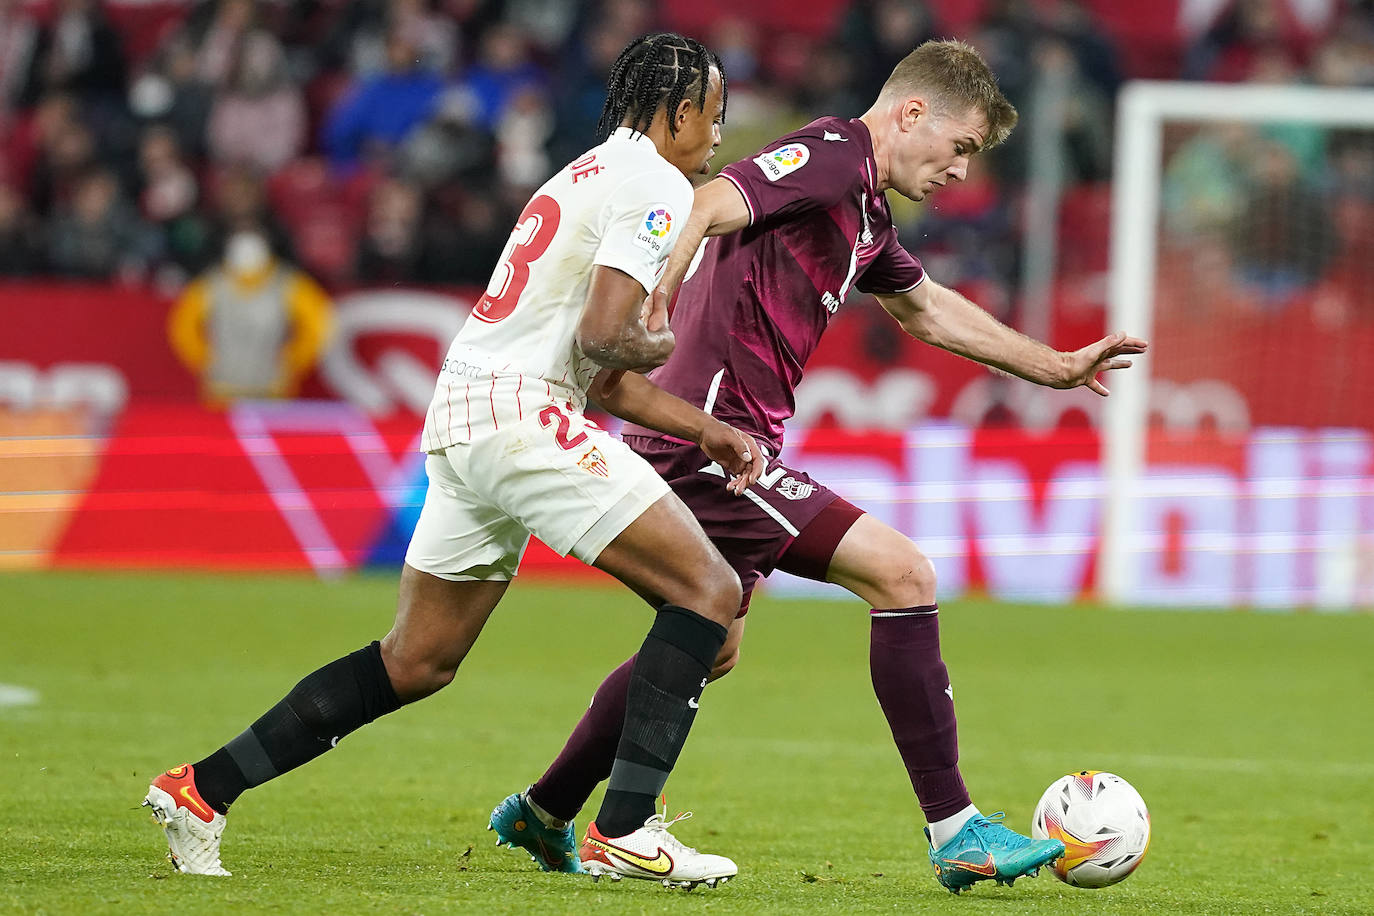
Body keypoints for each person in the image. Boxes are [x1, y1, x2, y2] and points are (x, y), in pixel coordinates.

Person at [492, 39, 1148, 895]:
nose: (960, 172)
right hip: (712, 440)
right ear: (913, 114)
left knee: (709, 645)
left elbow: (926, 309)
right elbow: (711, 200)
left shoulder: (867, 210)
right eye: (960, 147)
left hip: (727, 440)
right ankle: (957, 831)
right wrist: (657, 290)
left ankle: (544, 810)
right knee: (902, 574)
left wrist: (1056, 366)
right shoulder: (835, 157)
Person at [143, 33, 762, 889]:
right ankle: (624, 830)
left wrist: (704, 429)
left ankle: (200, 790)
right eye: (717, 112)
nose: (721, 132)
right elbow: (608, 340)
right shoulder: (658, 183)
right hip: (524, 412)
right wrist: (661, 337)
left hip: (467, 405)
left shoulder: (581, 171)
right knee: (709, 593)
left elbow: (603, 378)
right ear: (681, 111)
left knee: (416, 660)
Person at [166, 230, 333, 404]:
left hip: (270, 387)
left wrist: (293, 359)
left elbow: (318, 324)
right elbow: (183, 326)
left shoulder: (286, 284)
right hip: (225, 388)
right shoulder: (213, 285)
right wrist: (205, 359)